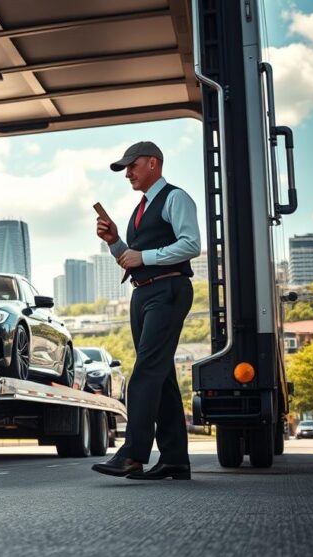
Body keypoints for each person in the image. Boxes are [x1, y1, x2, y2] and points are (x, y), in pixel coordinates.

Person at [91, 141, 200, 480]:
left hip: (168, 289)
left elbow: (191, 243)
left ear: (153, 163)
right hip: (143, 293)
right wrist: (114, 242)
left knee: (145, 372)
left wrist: (145, 257)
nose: (128, 173)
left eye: (132, 166)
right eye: (125, 168)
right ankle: (175, 459)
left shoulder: (175, 198)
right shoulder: (141, 209)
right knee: (162, 375)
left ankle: (133, 454)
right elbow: (131, 257)